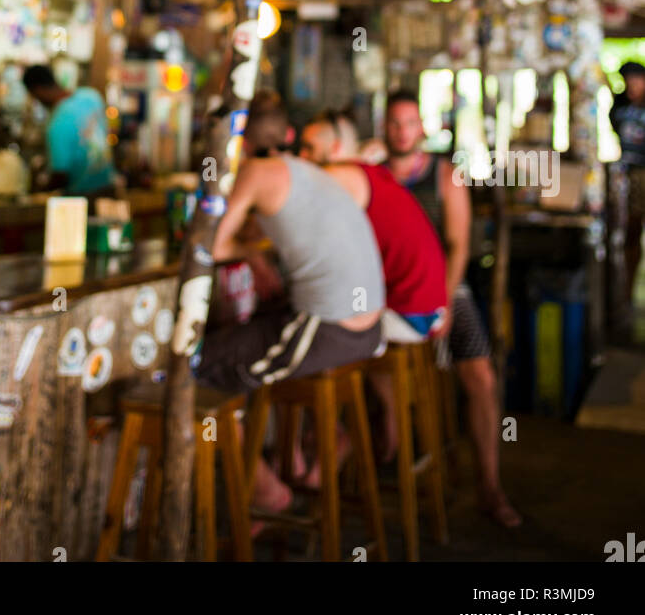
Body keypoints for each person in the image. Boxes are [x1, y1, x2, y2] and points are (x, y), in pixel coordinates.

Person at [197, 94, 385, 515]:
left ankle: (266, 491)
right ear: (286, 136)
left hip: (331, 327)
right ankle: (302, 453)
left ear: (240, 142)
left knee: (199, 368)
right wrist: (256, 251)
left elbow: (211, 244)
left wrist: (250, 253)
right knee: (252, 339)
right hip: (367, 327)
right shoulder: (311, 172)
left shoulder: (255, 171)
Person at [383, 89, 521, 528]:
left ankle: (489, 484)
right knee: (366, 360)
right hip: (386, 297)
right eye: (394, 123)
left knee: (480, 375)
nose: (402, 131)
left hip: (444, 291)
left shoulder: (444, 176)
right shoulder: (372, 175)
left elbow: (459, 246)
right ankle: (392, 442)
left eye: (409, 123)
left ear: (421, 129)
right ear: (384, 128)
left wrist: (440, 301)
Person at [300, 113, 447, 460]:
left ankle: (332, 444)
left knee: (315, 332)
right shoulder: (368, 173)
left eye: (308, 149)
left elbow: (306, 239)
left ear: (334, 149)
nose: (300, 158)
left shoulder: (338, 177)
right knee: (331, 323)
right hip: (426, 309)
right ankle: (389, 438)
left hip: (409, 311)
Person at [22, 65, 113, 197]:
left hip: (80, 199)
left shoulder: (57, 124)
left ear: (38, 90)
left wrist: (39, 191)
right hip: (108, 190)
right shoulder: (91, 96)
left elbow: (60, 175)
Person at [609, 61, 645, 302]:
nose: (631, 86)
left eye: (636, 81)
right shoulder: (619, 106)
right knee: (630, 232)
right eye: (628, 81)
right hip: (628, 174)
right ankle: (626, 294)